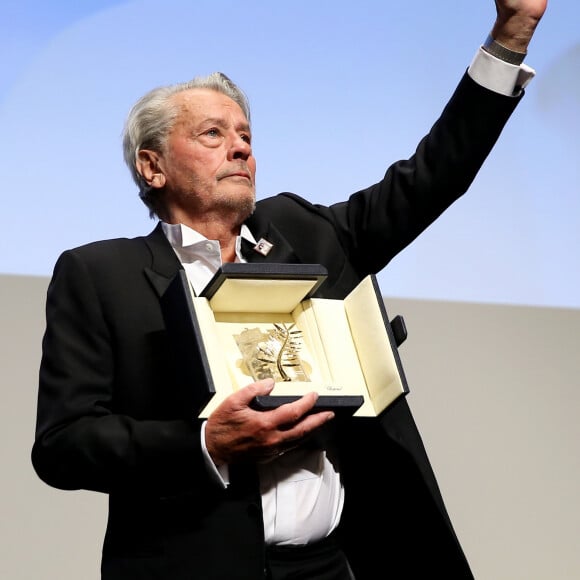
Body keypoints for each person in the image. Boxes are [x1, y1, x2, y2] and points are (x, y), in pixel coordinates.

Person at [31, 1, 547, 578]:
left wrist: (510, 34)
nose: (241, 147)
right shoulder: (100, 275)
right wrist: (206, 443)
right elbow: (63, 444)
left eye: (246, 135)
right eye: (213, 134)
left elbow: (434, 176)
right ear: (153, 168)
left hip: (335, 566)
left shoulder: (307, 232)